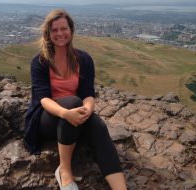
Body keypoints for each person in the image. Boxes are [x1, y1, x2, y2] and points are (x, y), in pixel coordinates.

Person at [24, 9, 127, 190]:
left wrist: (87, 108)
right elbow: (43, 99)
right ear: (48, 33)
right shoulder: (40, 61)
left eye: (63, 28)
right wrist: (66, 113)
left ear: (71, 30)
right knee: (72, 102)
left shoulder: (84, 59)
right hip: (47, 118)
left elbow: (88, 92)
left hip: (75, 112)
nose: (60, 33)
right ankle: (64, 171)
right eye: (54, 30)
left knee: (99, 127)